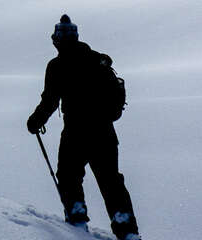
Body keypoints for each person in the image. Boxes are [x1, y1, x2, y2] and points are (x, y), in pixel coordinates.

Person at [27, 15, 140, 240]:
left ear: (57, 39)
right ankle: (126, 228)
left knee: (69, 175)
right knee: (110, 181)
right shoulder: (97, 59)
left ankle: (77, 216)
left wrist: (35, 121)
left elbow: (50, 100)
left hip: (75, 132)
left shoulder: (57, 65)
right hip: (104, 131)